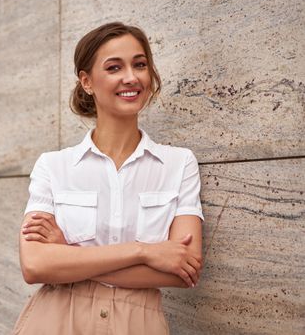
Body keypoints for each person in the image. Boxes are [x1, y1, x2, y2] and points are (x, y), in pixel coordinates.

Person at [12, 22, 204, 335]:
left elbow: (184, 270)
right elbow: (35, 266)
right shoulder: (54, 166)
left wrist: (71, 258)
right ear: (87, 81)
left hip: (139, 325)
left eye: (140, 64)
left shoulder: (178, 163)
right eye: (114, 67)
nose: (131, 77)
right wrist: (145, 251)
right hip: (56, 321)